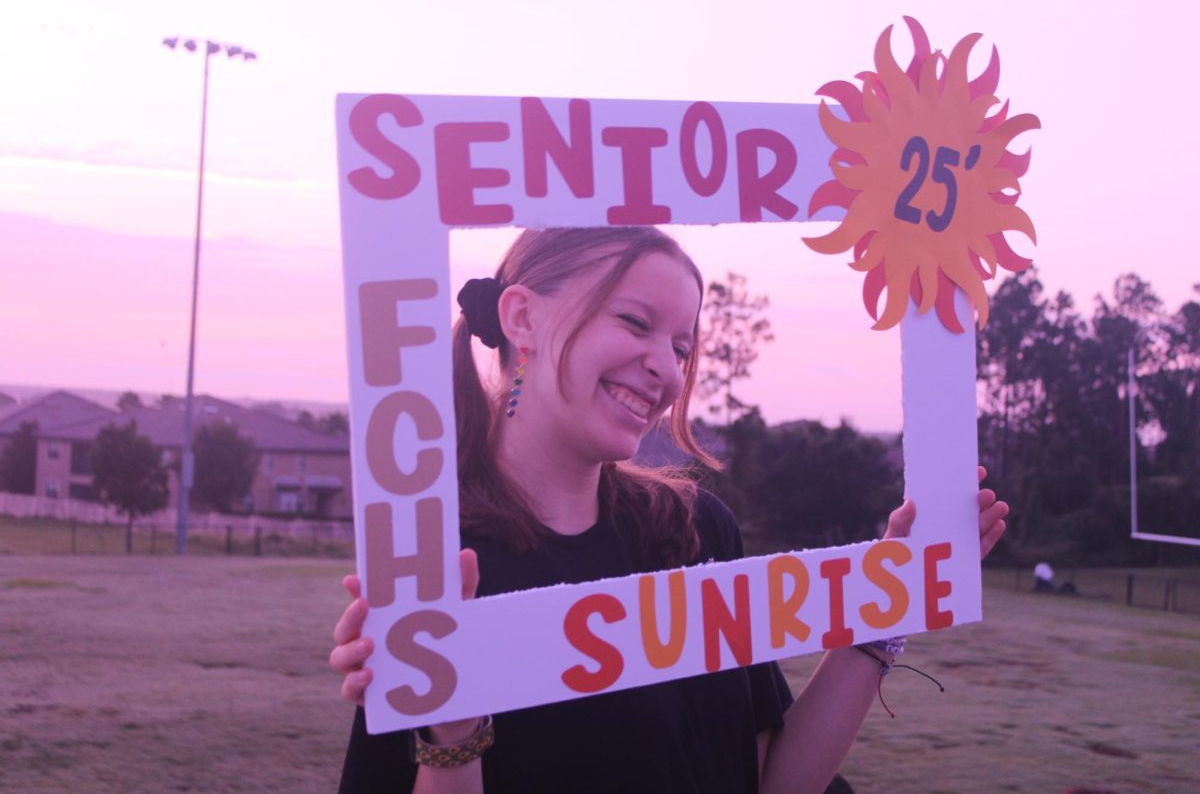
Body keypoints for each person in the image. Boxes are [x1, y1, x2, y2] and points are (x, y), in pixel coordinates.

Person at [329, 227, 1010, 794]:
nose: (668, 369)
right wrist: (452, 732)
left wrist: (889, 600)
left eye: (682, 348)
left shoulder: (693, 532)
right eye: (634, 322)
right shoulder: (441, 565)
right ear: (521, 317)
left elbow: (775, 778)